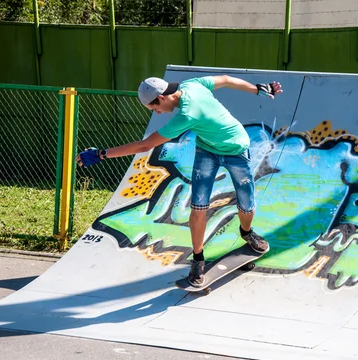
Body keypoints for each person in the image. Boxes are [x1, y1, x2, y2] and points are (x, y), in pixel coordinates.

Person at [76, 75, 282, 287]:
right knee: (198, 206)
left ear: (163, 98)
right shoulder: (192, 83)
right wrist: (257, 88)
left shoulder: (187, 114)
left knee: (246, 205)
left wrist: (101, 154)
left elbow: (145, 146)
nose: (156, 113)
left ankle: (246, 233)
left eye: (154, 108)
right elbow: (226, 80)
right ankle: (198, 259)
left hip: (236, 150)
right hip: (207, 151)